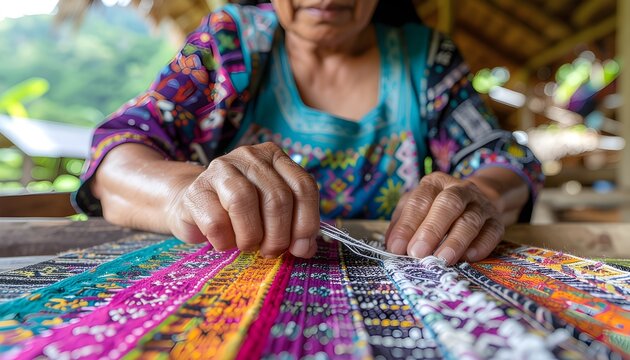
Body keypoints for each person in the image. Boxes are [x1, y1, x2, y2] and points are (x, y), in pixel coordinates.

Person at [75, 0, 543, 265]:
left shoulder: (427, 60)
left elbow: (503, 160)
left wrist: (476, 195)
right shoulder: (230, 43)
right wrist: (184, 194)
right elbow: (117, 155)